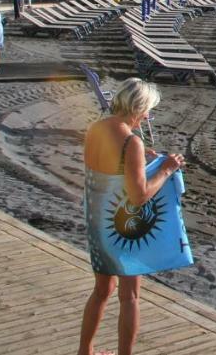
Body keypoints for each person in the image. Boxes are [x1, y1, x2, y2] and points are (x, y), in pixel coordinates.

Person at [78, 79, 187, 355]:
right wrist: (166, 169)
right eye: (148, 110)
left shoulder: (95, 129)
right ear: (138, 108)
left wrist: (144, 160)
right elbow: (138, 196)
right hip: (123, 228)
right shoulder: (131, 141)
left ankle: (85, 351)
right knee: (130, 296)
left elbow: (107, 172)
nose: (148, 116)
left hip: (97, 222)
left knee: (102, 289)